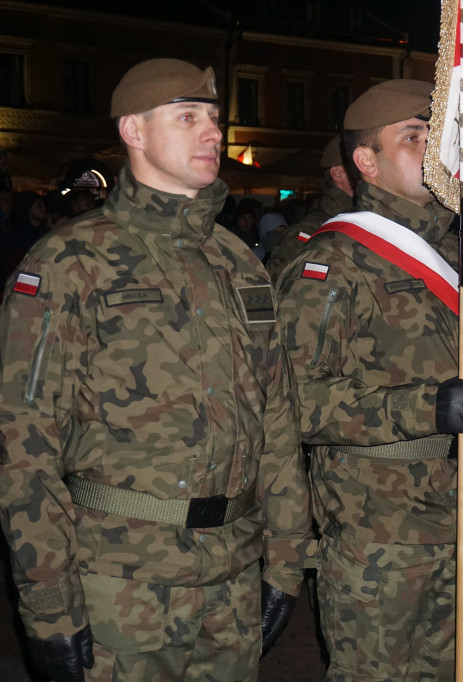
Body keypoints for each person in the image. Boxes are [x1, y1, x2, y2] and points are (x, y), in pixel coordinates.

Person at [0, 57, 312, 682]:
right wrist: (49, 606)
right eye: (187, 116)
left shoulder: (238, 262)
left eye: (215, 119)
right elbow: (25, 443)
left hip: (232, 578)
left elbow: (276, 417)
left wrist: (284, 559)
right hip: (121, 585)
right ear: (134, 132)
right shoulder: (70, 262)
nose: (212, 133)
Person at [274, 79, 463, 680]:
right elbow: (294, 401)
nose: (434, 150)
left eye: (436, 135)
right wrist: (425, 407)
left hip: (458, 510)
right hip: (380, 529)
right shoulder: (336, 262)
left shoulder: (459, 255)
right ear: (366, 161)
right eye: (413, 136)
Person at [265, 135, 354, 281]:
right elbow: (276, 281)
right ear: (338, 173)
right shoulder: (309, 230)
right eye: (357, 165)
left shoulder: (373, 220)